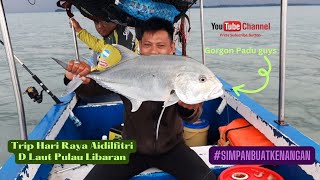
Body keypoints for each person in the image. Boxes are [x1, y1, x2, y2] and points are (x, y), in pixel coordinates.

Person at [64, 18, 216, 180]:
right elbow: (92, 91)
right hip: (131, 148)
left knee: (208, 178)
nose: (154, 51)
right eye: (147, 45)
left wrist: (189, 108)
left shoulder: (183, 71)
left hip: (172, 148)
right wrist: (74, 79)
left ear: (172, 48)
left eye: (161, 45)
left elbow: (191, 115)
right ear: (139, 46)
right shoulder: (129, 68)